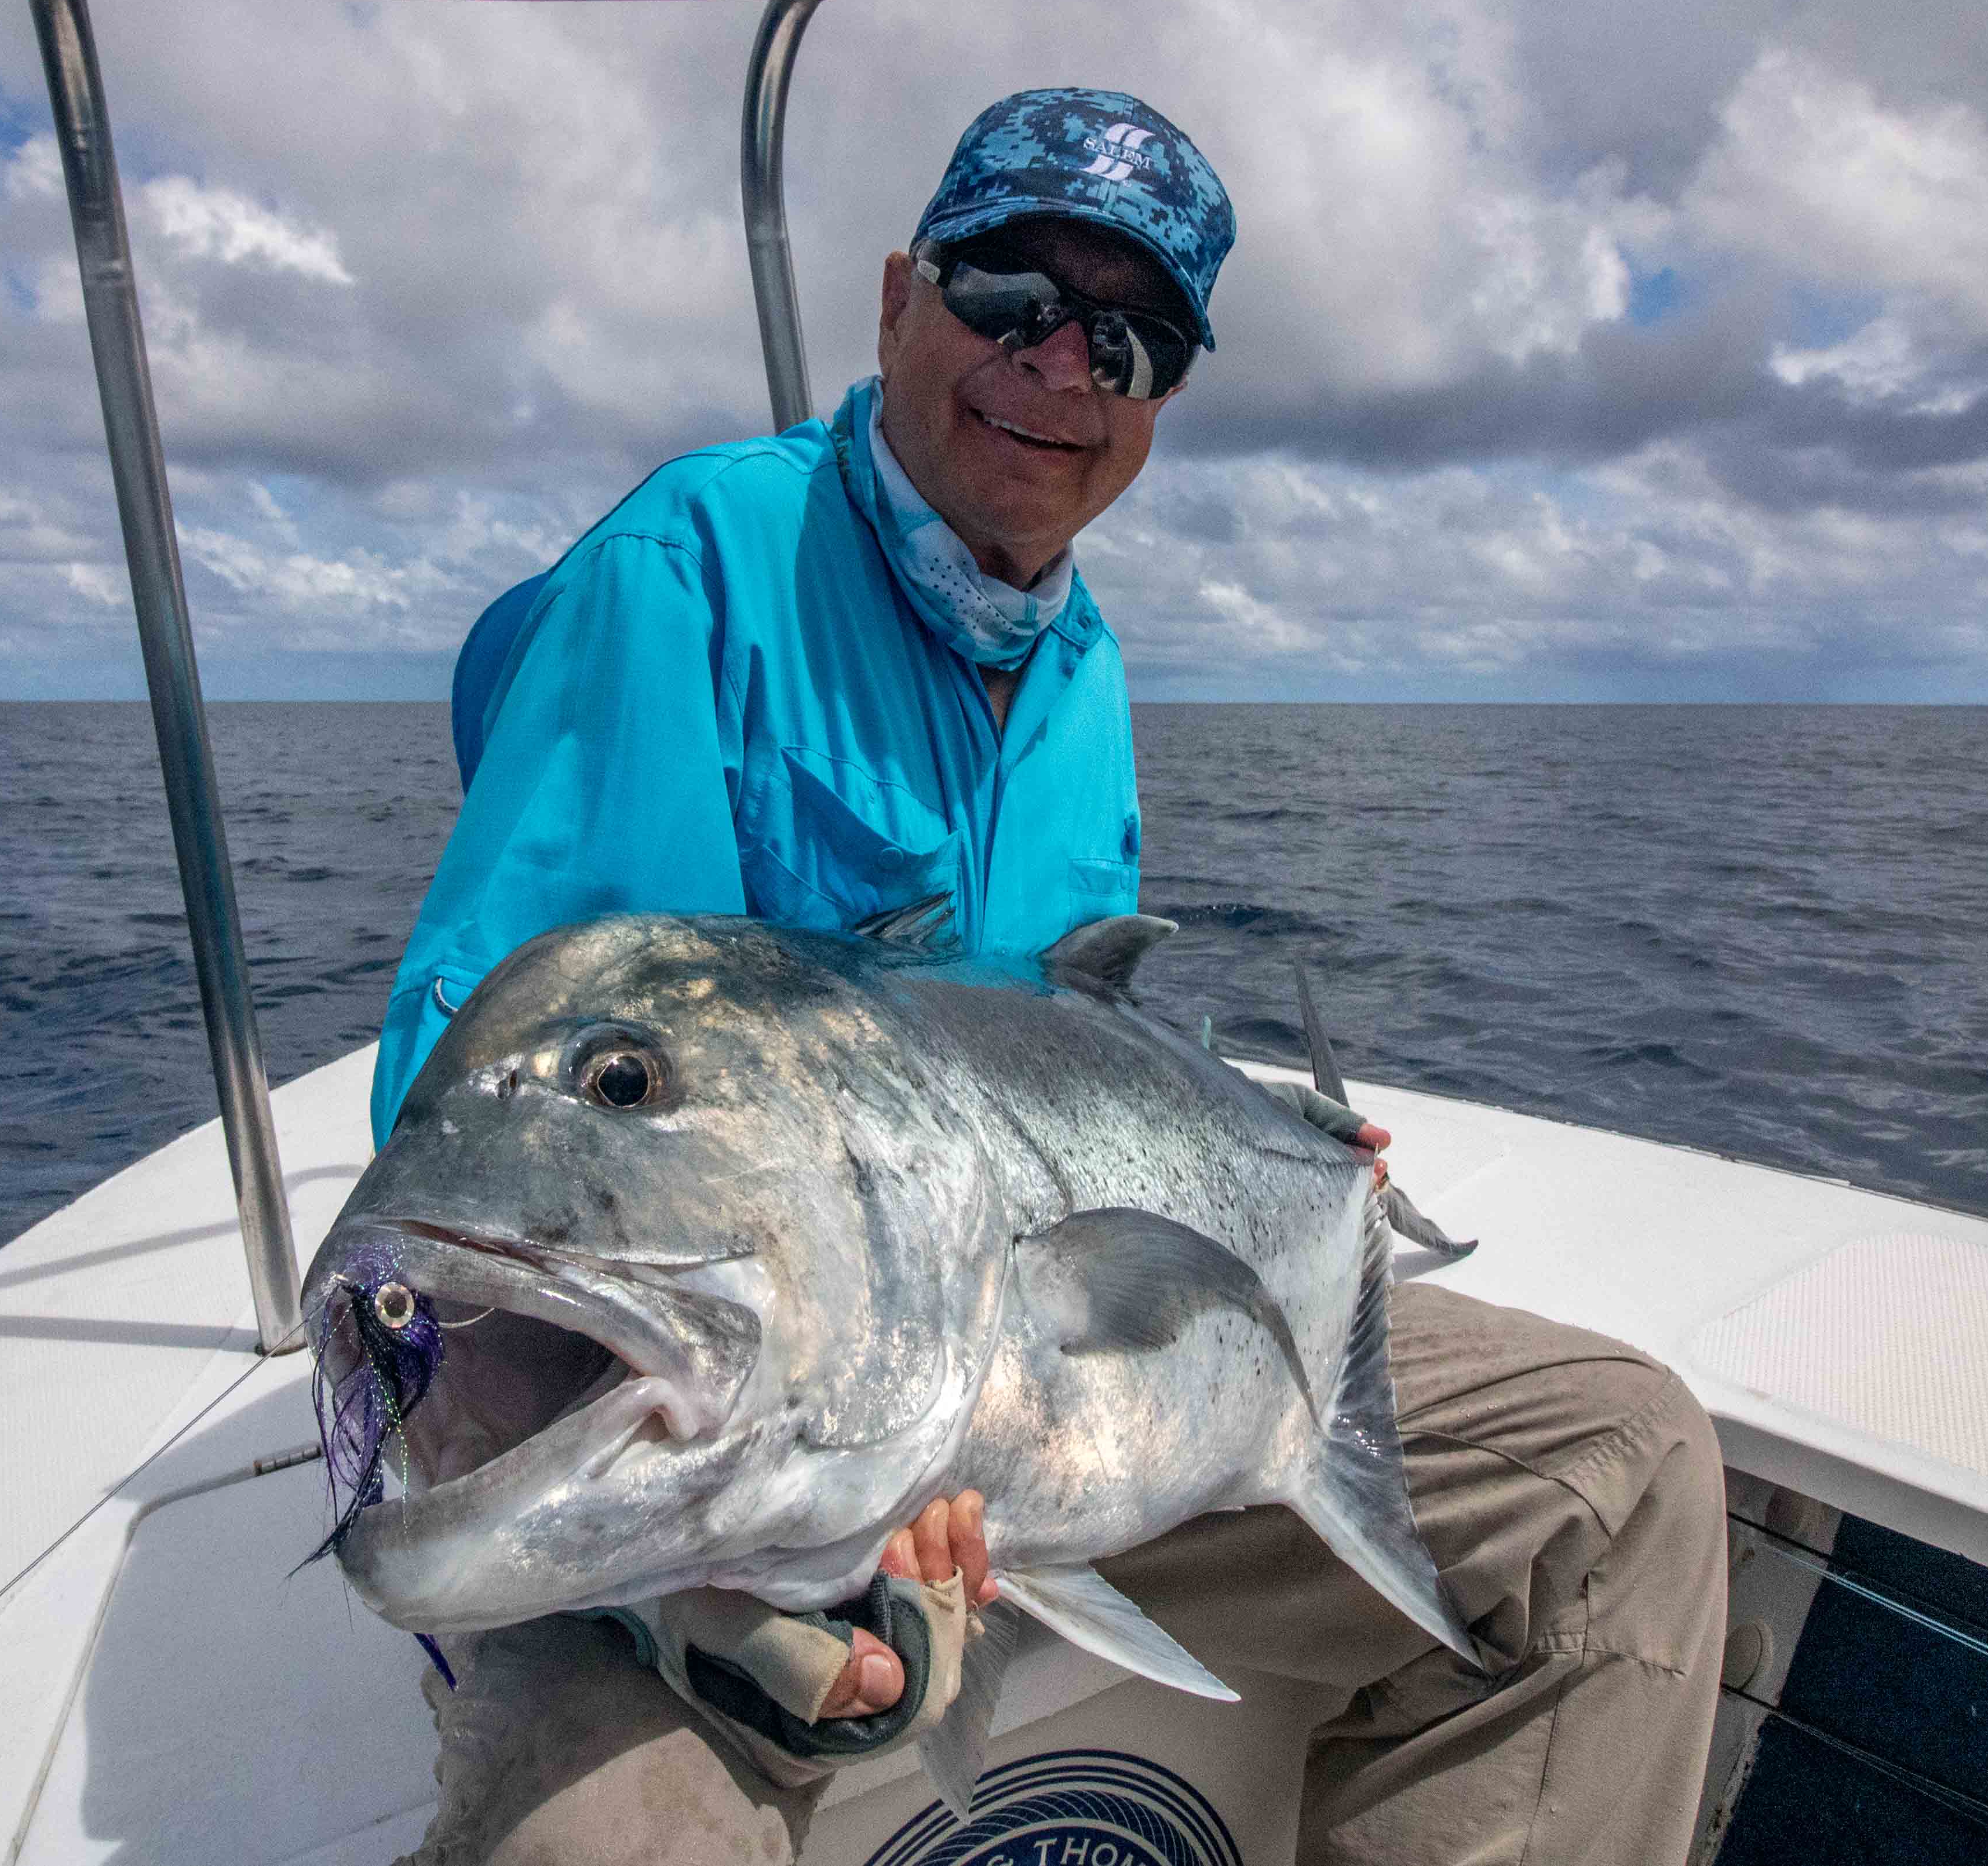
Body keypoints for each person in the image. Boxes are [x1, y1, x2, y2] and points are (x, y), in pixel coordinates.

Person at [372, 90, 1728, 1866]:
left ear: (1160, 404)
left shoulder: (1082, 672)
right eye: (1010, 288)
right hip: (703, 1463)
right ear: (895, 301)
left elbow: (1067, 1054)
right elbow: (532, 1139)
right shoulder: (689, 569)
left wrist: (1276, 1158)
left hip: (1018, 1420)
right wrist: (757, 1607)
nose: (1060, 363)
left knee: (1618, 1469)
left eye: (1131, 338)